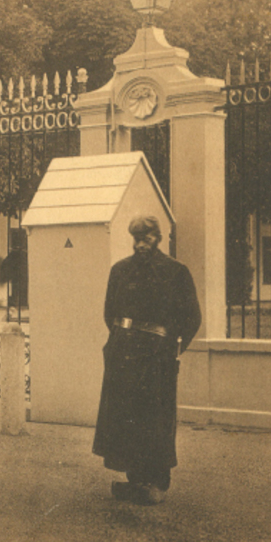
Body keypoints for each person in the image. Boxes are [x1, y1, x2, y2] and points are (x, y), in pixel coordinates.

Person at [92, 215, 202, 505]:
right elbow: (109, 313)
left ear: (159, 239)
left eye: (147, 238)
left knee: (155, 418)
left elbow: (192, 317)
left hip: (157, 357)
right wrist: (120, 342)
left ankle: (157, 481)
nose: (141, 244)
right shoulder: (120, 271)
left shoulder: (176, 272)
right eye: (137, 239)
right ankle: (136, 479)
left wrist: (172, 349)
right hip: (124, 354)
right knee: (127, 417)